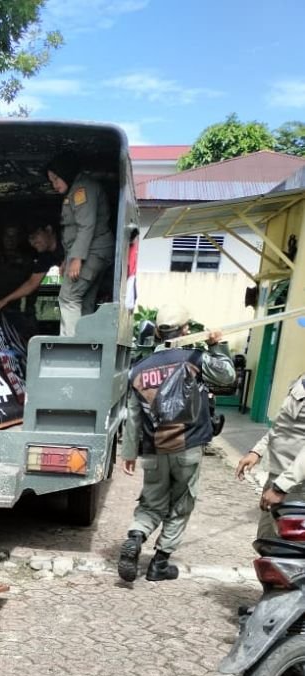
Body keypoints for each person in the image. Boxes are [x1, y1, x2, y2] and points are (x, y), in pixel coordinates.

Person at [118, 304, 236, 582]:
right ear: (185, 330)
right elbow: (228, 376)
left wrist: (129, 453)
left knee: (151, 503)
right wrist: (218, 346)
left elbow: (133, 417)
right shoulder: (196, 358)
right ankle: (159, 564)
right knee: (181, 504)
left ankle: (136, 535)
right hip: (188, 447)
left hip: (154, 450)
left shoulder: (139, 368)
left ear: (157, 332)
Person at [46, 151, 114, 336]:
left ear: (65, 172)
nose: (54, 184)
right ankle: (83, 348)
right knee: (83, 301)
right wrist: (67, 260)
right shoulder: (76, 189)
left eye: (56, 178)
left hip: (93, 251)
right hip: (95, 252)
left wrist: (76, 258)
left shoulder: (81, 189)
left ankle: (70, 348)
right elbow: (75, 233)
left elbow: (86, 225)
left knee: (68, 297)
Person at [236, 373, 305, 538]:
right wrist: (257, 451)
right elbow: (282, 425)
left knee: (289, 549)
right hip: (279, 477)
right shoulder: (301, 380)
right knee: (267, 541)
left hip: (295, 485)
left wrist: (280, 488)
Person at [0, 224, 63, 312]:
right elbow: (32, 283)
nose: (33, 243)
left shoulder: (67, 242)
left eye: (35, 237)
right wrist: (5, 300)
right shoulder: (45, 256)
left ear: (48, 230)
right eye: (30, 239)